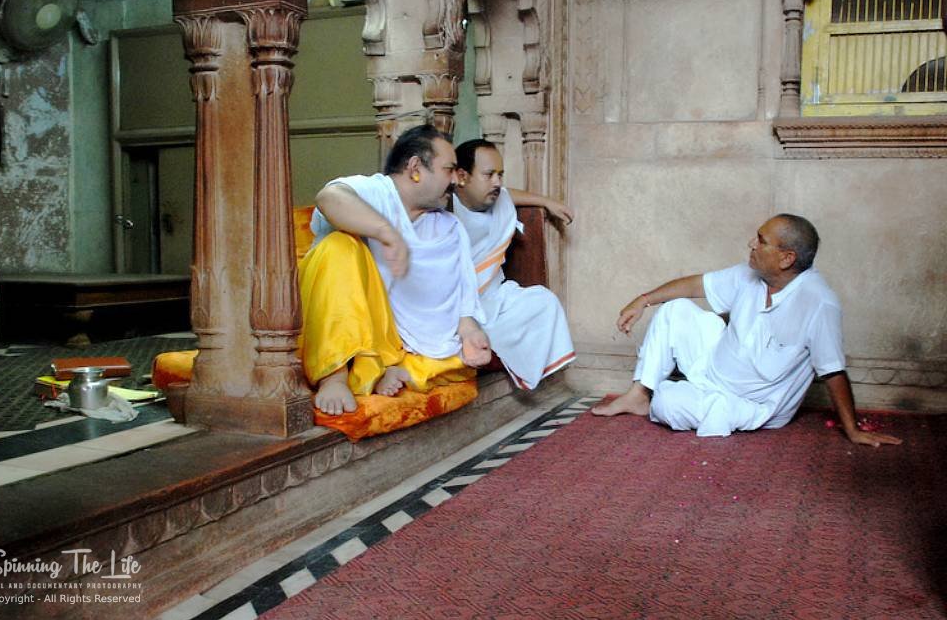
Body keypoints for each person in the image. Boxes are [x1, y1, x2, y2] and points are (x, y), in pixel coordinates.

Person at [591, 214, 902, 448]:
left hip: (750, 403)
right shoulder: (751, 274)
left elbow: (833, 371)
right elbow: (697, 284)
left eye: (761, 240)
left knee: (669, 403)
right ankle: (637, 394)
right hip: (714, 367)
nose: (752, 244)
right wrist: (643, 300)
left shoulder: (819, 303)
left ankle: (674, 400)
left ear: (786, 258)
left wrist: (852, 430)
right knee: (675, 308)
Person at [299, 125, 491, 415]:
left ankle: (385, 369)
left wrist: (469, 330)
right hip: (344, 324)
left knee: (459, 359)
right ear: (415, 168)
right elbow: (329, 197)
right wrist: (385, 232)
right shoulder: (377, 192)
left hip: (392, 340)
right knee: (339, 246)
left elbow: (462, 298)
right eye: (448, 169)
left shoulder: (449, 228)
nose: (456, 180)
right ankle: (334, 376)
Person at [451, 138, 576, 390]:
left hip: (494, 298)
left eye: (500, 174)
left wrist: (545, 201)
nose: (497, 182)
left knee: (544, 302)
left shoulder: (499, 200)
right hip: (457, 305)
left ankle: (482, 347)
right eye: (489, 175)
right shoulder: (444, 207)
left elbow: (509, 195)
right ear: (462, 177)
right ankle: (472, 345)